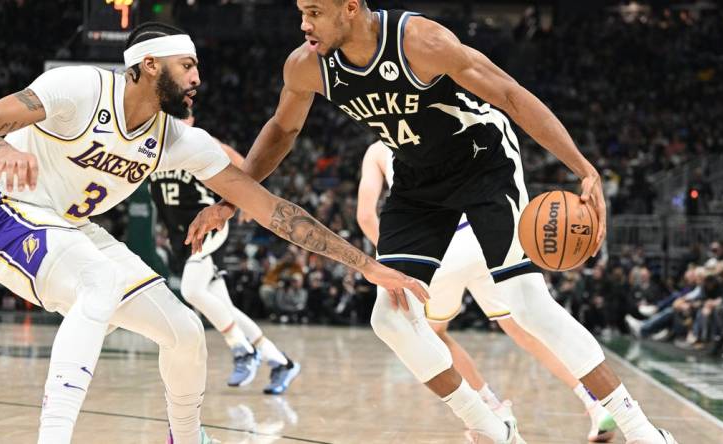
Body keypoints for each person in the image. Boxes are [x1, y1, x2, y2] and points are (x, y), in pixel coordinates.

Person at [187, 3, 677, 442]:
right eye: (301, 12)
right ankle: (491, 426)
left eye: (314, 12)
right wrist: (231, 200)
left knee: (526, 303)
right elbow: (282, 128)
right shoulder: (307, 65)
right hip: (418, 177)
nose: (304, 24)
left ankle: (640, 430)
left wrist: (584, 169)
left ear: (351, 9)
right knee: (390, 317)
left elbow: (509, 93)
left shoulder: (420, 41)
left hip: (483, 159)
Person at [0, 21, 427, 444]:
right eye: (188, 65)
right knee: (98, 280)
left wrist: (368, 266)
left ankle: (186, 437)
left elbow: (273, 210)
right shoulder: (78, 87)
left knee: (184, 331)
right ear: (150, 64)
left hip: (71, 227)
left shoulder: (177, 139)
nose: (198, 78)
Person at [357, 140, 617, 442]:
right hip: (480, 234)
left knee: (434, 333)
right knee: (524, 328)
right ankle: (594, 403)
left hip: (435, 247)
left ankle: (493, 409)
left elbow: (365, 215)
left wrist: (397, 263)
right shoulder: (436, 122)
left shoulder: (377, 150)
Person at [149, 110, 301, 394]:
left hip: (209, 228)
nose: (180, 121)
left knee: (192, 291)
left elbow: (246, 166)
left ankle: (242, 350)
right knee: (223, 306)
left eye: (185, 117)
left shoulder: (203, 142)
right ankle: (281, 362)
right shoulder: (150, 149)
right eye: (173, 117)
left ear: (193, 120)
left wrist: (245, 201)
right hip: (180, 237)